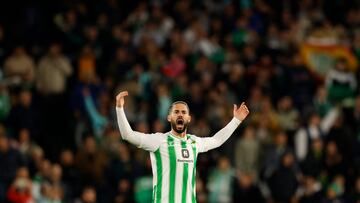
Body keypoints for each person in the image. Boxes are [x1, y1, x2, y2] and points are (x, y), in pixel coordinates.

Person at [115, 91, 250, 203]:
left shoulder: (194, 142)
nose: (180, 114)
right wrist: (120, 109)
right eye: (176, 112)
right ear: (169, 118)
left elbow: (217, 140)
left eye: (183, 112)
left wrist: (236, 120)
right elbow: (128, 135)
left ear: (189, 118)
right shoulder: (159, 140)